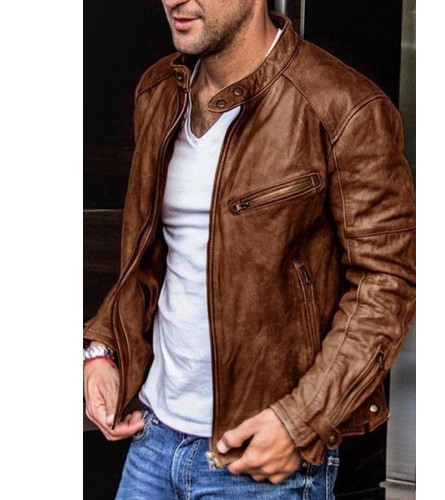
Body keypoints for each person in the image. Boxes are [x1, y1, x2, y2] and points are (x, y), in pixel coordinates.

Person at [83, 1, 416, 498]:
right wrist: (103, 348)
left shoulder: (343, 105)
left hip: (260, 459)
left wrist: (302, 421)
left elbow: (386, 283)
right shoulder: (159, 90)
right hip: (152, 438)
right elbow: (151, 256)